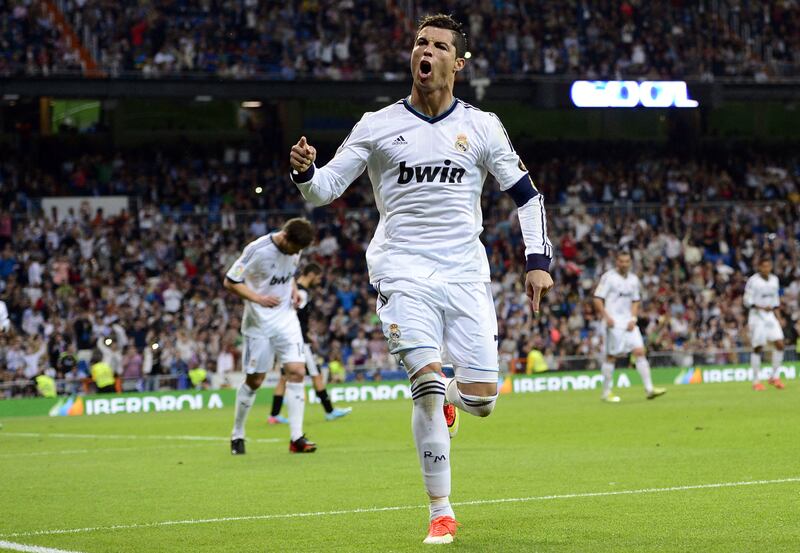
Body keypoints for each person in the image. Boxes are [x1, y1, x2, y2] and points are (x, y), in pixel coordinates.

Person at [288, 14, 553, 544]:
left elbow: (527, 196)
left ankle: (456, 397)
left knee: (482, 399)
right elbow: (326, 190)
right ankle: (441, 509)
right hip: (402, 270)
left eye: (436, 45)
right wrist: (305, 174)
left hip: (464, 273)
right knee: (427, 384)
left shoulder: (482, 126)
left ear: (458, 62)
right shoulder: (377, 124)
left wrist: (537, 261)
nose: (423, 51)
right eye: (418, 43)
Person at [224, 217, 317, 455]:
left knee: (297, 371)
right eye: (295, 248)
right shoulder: (257, 250)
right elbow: (231, 281)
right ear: (285, 238)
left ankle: (296, 438)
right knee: (255, 380)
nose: (296, 253)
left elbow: (288, 275)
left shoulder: (294, 250)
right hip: (259, 323)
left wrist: (294, 291)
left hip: (287, 319)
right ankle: (237, 433)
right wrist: (258, 299)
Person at [269, 262, 352, 424]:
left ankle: (274, 415)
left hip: (288, 339)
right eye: (319, 277)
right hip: (299, 341)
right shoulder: (301, 292)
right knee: (316, 374)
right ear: (311, 274)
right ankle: (330, 411)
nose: (319, 281)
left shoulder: (294, 289)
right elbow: (292, 314)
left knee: (284, 377)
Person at [593, 251, 666, 402]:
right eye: (621, 261)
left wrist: (633, 318)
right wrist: (606, 317)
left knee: (640, 351)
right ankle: (606, 393)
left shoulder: (633, 279)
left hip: (629, 323)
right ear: (616, 262)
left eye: (627, 261)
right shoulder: (609, 277)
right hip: (613, 323)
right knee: (611, 357)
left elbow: (635, 300)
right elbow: (597, 299)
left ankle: (649, 389)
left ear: (630, 262)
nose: (624, 264)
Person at [743, 258, 785, 390]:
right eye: (764, 266)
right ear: (759, 267)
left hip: (770, 316)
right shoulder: (753, 281)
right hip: (756, 317)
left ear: (771, 267)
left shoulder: (774, 280)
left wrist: (779, 317)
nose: (766, 269)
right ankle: (756, 381)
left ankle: (774, 376)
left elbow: (775, 301)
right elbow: (746, 301)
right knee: (758, 347)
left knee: (780, 344)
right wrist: (761, 307)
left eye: (768, 266)